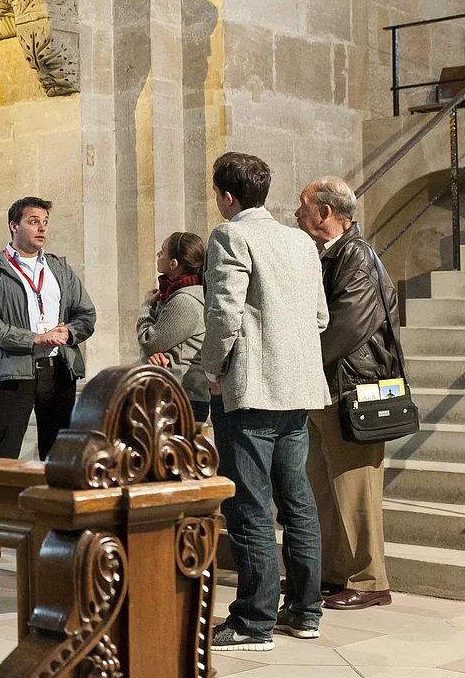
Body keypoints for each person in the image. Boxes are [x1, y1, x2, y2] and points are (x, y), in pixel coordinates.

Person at [201, 152, 332, 652]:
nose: (218, 203)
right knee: (297, 504)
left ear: (228, 196)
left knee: (250, 507)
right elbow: (319, 317)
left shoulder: (231, 235)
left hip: (252, 393)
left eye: (218, 194)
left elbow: (224, 314)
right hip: (297, 390)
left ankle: (254, 622)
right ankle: (305, 612)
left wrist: (212, 369)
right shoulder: (300, 240)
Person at [0, 196, 96, 564]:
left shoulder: (59, 269)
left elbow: (87, 314)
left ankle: (58, 533)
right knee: (3, 456)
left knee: (57, 455)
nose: (42, 229)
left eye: (45, 222)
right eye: (34, 221)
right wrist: (34, 338)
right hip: (14, 373)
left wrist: (67, 333)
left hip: (58, 372)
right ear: (14, 226)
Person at [295, 176, 400, 611]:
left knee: (355, 489)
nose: (297, 216)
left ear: (324, 213)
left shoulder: (355, 254)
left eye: (303, 208)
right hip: (328, 385)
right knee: (323, 485)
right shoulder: (329, 254)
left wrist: (299, 361)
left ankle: (370, 579)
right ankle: (332, 573)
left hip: (353, 387)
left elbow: (346, 324)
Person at [136, 232, 209, 421]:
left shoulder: (185, 301)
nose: (158, 256)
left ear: (174, 264)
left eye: (162, 252)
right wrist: (154, 354)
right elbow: (155, 346)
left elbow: (149, 341)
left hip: (182, 398)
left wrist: (147, 307)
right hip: (173, 394)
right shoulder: (173, 295)